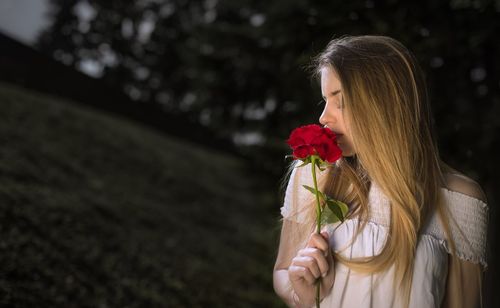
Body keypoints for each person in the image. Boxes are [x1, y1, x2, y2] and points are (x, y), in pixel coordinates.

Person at [273, 35, 488, 308]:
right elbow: (282, 269)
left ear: (385, 106)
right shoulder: (314, 175)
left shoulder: (459, 199)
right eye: (324, 100)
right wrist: (300, 295)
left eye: (340, 102)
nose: (323, 117)